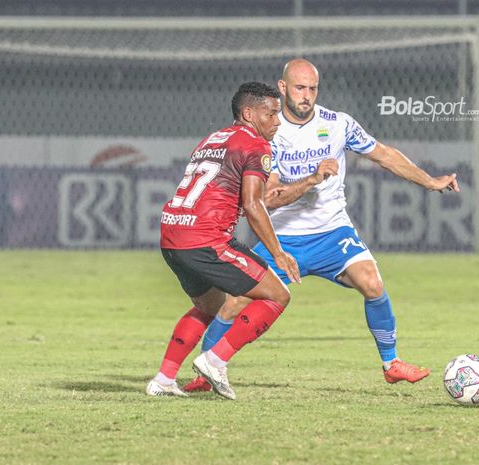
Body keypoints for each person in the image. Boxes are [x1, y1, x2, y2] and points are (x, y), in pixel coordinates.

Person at [184, 58, 460, 393]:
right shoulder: (269, 133)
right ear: (283, 88)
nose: (307, 96)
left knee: (372, 283)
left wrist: (430, 182)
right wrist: (312, 179)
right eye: (300, 88)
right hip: (283, 238)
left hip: (333, 233)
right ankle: (204, 372)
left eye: (313, 88)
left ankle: (392, 364)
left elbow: (384, 154)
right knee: (233, 303)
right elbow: (267, 199)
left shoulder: (338, 123)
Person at [146, 81, 301, 399]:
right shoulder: (256, 146)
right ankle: (214, 361)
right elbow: (253, 204)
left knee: (209, 306)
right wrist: (279, 253)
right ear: (248, 113)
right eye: (270, 114)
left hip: (172, 235)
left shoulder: (211, 139)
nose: (277, 121)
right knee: (277, 295)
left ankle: (163, 380)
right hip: (205, 239)